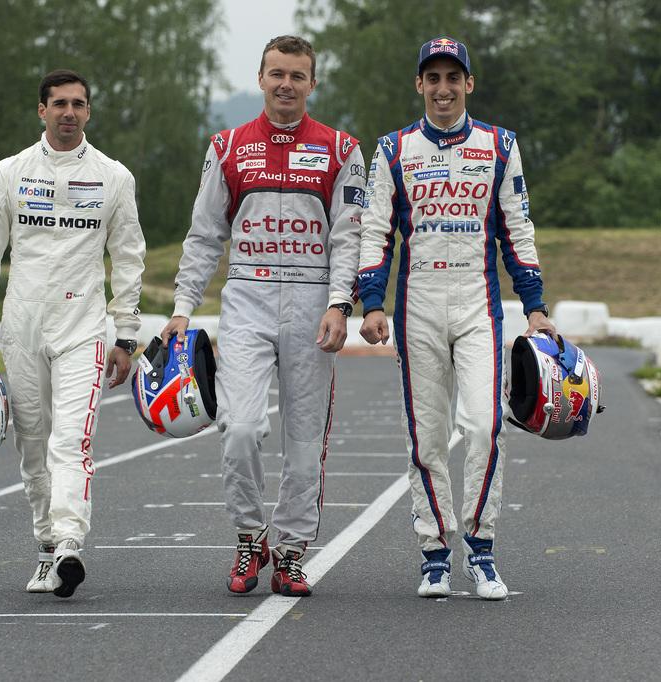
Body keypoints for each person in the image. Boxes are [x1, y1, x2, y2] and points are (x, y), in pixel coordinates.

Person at [161, 35, 365, 597]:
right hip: (246, 299)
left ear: (312, 83)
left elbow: (350, 238)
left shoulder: (342, 147)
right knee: (241, 428)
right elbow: (205, 236)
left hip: (312, 303)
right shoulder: (227, 145)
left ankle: (293, 552)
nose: (286, 85)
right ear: (260, 77)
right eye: (277, 73)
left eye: (297, 76)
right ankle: (251, 536)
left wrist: (338, 303)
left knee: (303, 443)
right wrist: (182, 308)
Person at [357, 37, 557, 600]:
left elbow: (518, 228)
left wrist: (536, 305)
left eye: (453, 78)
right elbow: (375, 230)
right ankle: (435, 552)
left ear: (469, 83)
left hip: (478, 301)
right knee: (425, 437)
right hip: (418, 302)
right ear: (418, 85)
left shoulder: (500, 144)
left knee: (486, 426)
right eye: (433, 78)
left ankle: (482, 546)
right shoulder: (393, 149)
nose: (443, 89)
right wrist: (372, 301)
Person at [0, 69, 146, 598]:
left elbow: (129, 258)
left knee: (72, 440)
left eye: (79, 104)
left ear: (89, 111)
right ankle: (46, 546)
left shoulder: (115, 177)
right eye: (59, 103)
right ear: (41, 110)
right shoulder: (9, 172)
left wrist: (126, 335)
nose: (69, 112)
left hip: (82, 327)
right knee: (33, 442)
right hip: (21, 328)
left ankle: (69, 543)